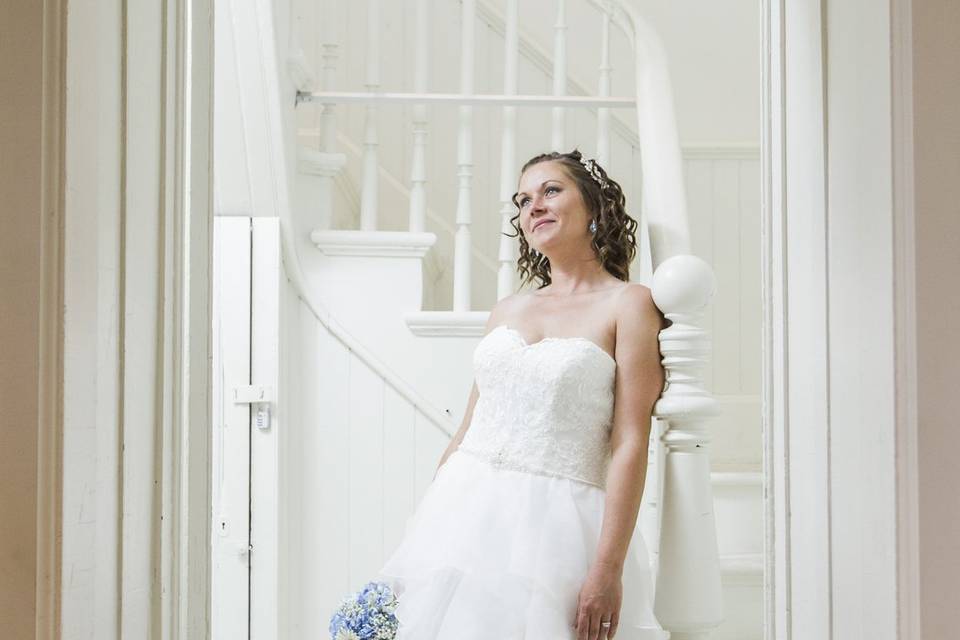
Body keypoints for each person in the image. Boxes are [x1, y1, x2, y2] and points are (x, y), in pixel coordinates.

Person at [372, 149, 669, 640]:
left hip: (559, 529)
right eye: (524, 199)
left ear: (594, 207)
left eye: (551, 191)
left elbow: (630, 441)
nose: (534, 206)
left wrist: (608, 567)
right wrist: (425, 526)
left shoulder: (629, 304)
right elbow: (469, 427)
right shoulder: (507, 309)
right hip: (466, 511)